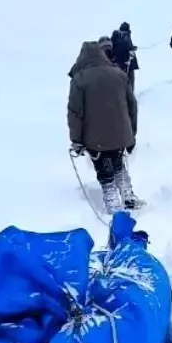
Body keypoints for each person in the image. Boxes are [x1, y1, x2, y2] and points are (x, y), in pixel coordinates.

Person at [67, 41, 141, 214]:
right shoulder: (119, 74)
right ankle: (128, 196)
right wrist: (132, 134)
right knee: (118, 163)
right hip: (121, 134)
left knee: (103, 169)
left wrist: (76, 140)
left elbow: (75, 113)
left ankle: (113, 204)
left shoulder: (80, 79)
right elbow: (132, 106)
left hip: (95, 138)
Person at [111, 22, 139, 91]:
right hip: (127, 61)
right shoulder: (125, 35)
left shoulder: (116, 35)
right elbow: (127, 47)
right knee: (130, 79)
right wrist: (132, 48)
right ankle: (130, 94)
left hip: (118, 62)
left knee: (121, 80)